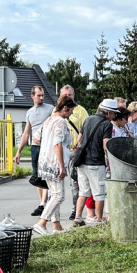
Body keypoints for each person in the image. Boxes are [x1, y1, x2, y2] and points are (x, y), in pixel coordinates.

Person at [33, 95, 75, 236]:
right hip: (54, 163)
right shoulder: (60, 122)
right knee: (59, 195)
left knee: (53, 194)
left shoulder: (48, 120)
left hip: (44, 162)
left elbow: (36, 138)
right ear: (64, 108)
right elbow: (57, 143)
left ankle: (56, 225)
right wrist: (62, 165)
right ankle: (42, 223)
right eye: (70, 110)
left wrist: (47, 148)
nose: (72, 113)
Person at [72, 99, 118, 226]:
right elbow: (106, 145)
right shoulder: (107, 124)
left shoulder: (88, 119)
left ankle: (78, 218)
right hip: (96, 163)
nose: (114, 116)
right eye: (114, 113)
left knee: (83, 192)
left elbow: (79, 139)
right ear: (108, 112)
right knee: (99, 193)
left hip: (82, 162)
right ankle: (98, 219)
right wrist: (111, 161)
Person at [14, 85, 53, 216]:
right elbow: (26, 133)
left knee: (45, 174)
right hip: (35, 147)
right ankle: (41, 203)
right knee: (37, 175)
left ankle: (43, 204)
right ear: (32, 96)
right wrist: (18, 151)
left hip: (46, 145)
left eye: (43, 95)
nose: (41, 98)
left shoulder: (50, 109)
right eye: (39, 95)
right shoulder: (29, 112)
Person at [60, 85, 88, 220]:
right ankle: (54, 212)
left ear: (74, 95)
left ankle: (75, 209)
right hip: (60, 150)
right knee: (56, 182)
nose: (67, 97)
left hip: (74, 151)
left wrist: (80, 146)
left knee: (75, 182)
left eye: (69, 95)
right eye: (65, 95)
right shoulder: (56, 110)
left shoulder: (81, 111)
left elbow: (86, 130)